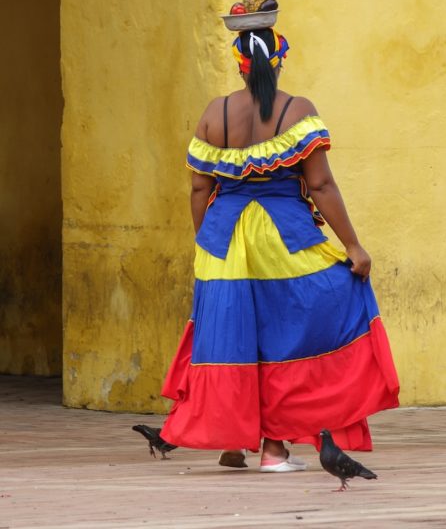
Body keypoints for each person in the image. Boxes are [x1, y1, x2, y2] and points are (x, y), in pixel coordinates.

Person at [159, 27, 400, 472]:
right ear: (279, 60)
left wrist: (206, 243)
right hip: (284, 238)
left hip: (223, 241)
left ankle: (232, 444)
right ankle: (273, 450)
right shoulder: (297, 112)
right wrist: (353, 246)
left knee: (229, 340)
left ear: (239, 63)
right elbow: (321, 184)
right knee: (282, 338)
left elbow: (199, 188)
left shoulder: (215, 113)